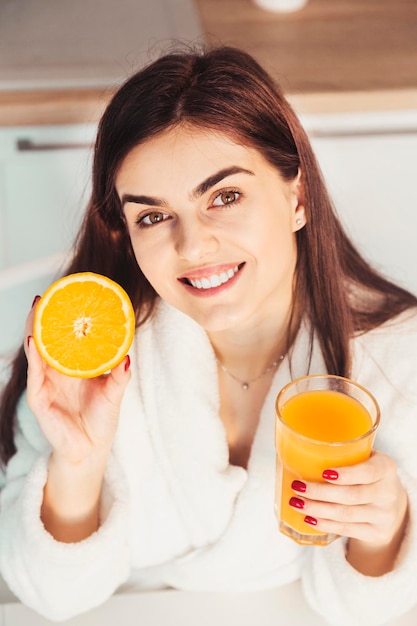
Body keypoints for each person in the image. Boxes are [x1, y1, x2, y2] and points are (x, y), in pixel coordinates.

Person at [0, 43, 417, 625]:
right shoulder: (90, 351)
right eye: (152, 215)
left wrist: (385, 528)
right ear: (123, 230)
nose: (192, 246)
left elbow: (366, 611)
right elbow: (49, 597)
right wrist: (77, 460)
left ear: (295, 196)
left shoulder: (398, 360)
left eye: (225, 196)